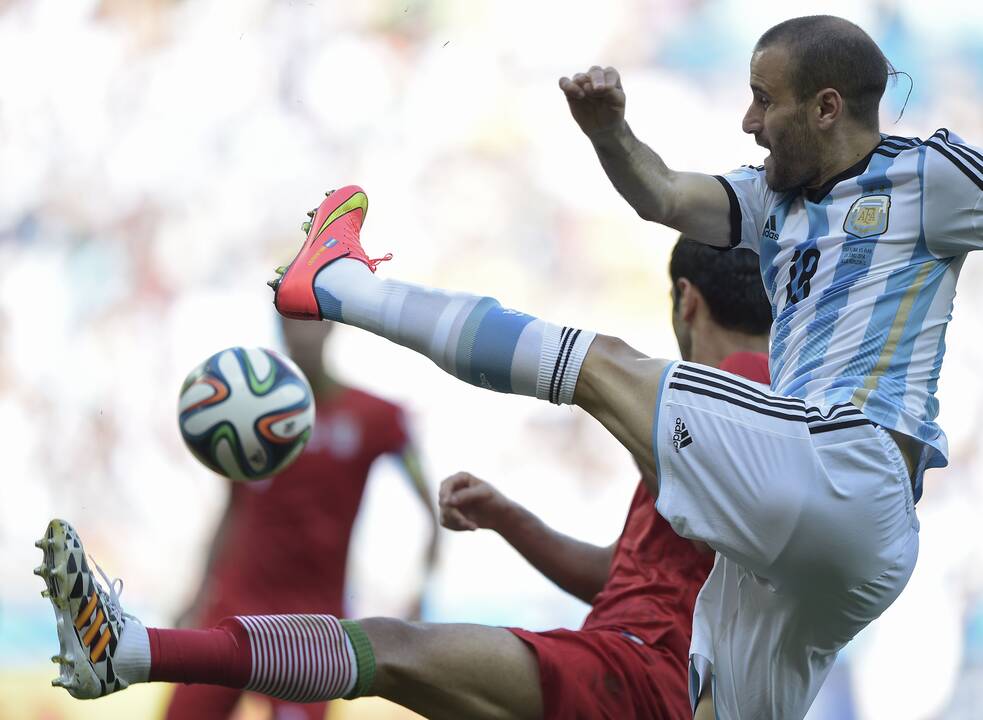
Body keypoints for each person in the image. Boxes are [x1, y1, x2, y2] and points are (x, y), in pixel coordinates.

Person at [260, 15, 975, 718]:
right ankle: (143, 652)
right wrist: (608, 132)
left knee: (596, 365)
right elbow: (661, 193)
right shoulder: (770, 199)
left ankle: (336, 287)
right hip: (817, 526)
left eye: (764, 98)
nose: (747, 121)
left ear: (825, 108)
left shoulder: (928, 174)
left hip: (848, 468)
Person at [37, 237, 770, 720]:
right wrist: (514, 520)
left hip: (648, 680)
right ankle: (129, 651)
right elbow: (634, 577)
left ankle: (342, 284)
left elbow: (579, 366)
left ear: (684, 301)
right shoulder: (731, 423)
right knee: (392, 652)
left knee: (392, 650)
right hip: (629, 660)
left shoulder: (732, 394)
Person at [164, 317, 439, 719]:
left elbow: (429, 511)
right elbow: (232, 510)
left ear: (332, 327)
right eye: (292, 322)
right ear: (280, 329)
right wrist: (196, 592)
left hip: (312, 624)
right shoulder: (248, 418)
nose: (303, 332)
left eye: (312, 321)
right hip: (233, 604)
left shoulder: (375, 415)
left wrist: (421, 587)